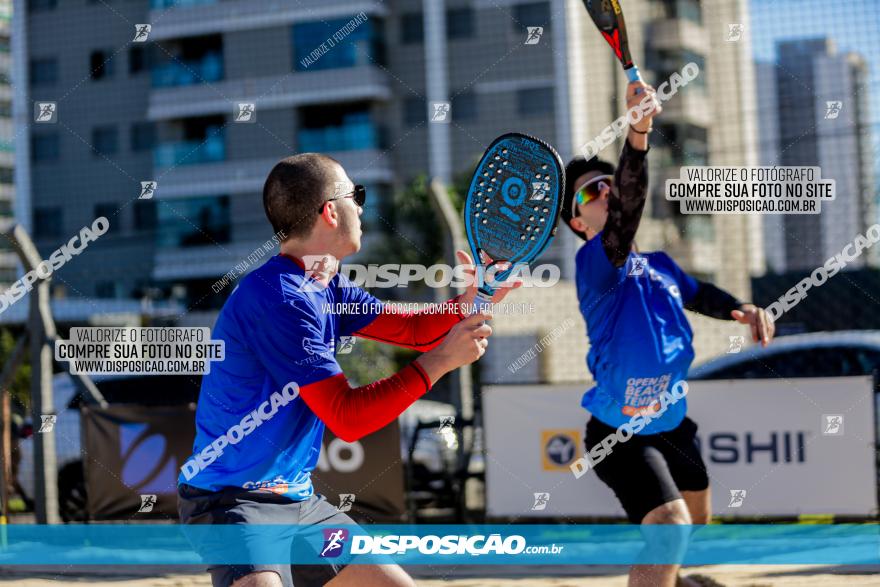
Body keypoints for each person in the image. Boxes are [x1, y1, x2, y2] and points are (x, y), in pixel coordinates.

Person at [178, 153, 517, 587]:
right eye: (355, 195)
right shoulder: (283, 298)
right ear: (330, 211)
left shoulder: (324, 282)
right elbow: (348, 417)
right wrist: (443, 361)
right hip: (233, 500)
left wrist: (475, 299)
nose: (361, 206)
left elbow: (413, 329)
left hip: (297, 502)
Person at [561, 80, 775, 587]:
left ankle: (677, 583)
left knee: (695, 522)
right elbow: (629, 207)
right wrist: (638, 131)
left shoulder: (657, 265)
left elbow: (698, 292)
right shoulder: (594, 263)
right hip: (618, 433)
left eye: (609, 182)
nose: (607, 191)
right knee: (670, 527)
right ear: (576, 222)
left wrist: (740, 309)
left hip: (673, 421)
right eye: (593, 190)